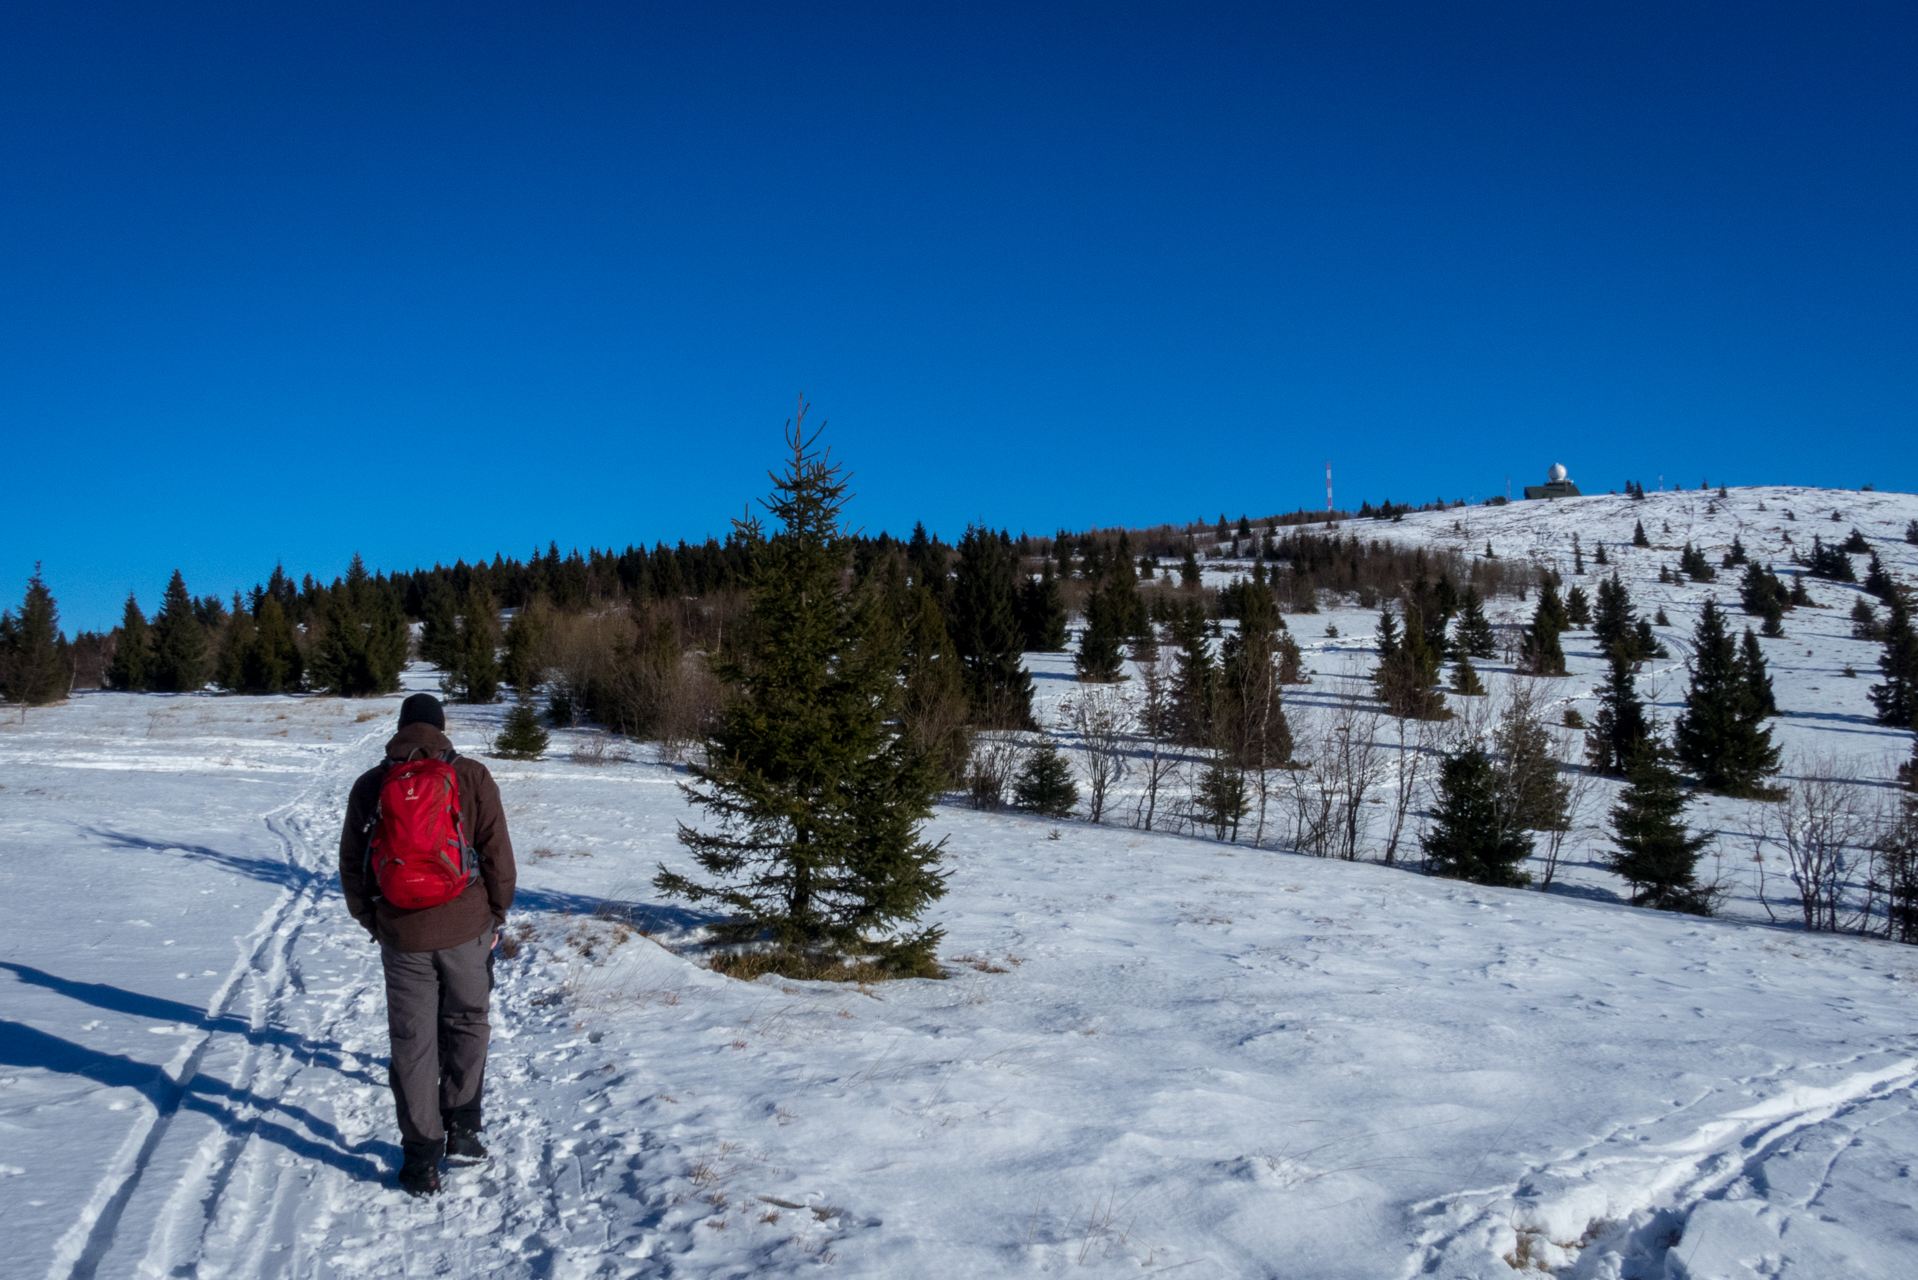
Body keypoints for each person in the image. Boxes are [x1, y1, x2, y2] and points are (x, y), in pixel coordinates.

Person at [339, 692, 517, 1197]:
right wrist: (496, 915)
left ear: (400, 730)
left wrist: (375, 922)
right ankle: (463, 1131)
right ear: (442, 729)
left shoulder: (371, 784)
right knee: (467, 1021)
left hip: (402, 933)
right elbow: (497, 854)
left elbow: (352, 866)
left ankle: (421, 1161)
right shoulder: (472, 775)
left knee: (413, 1044)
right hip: (467, 927)